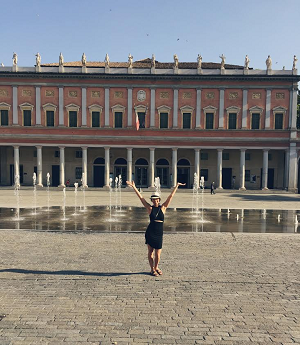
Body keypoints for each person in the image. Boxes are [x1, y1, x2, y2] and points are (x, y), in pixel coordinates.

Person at [126, 180, 185, 277]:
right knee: (150, 252)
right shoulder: (150, 208)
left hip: (159, 233)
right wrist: (133, 187)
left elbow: (170, 197)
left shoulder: (163, 208)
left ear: (159, 200)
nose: (155, 201)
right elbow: (141, 198)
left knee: (158, 254)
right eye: (153, 199)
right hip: (150, 232)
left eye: (156, 199)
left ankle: (156, 267)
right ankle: (152, 269)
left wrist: (177, 186)